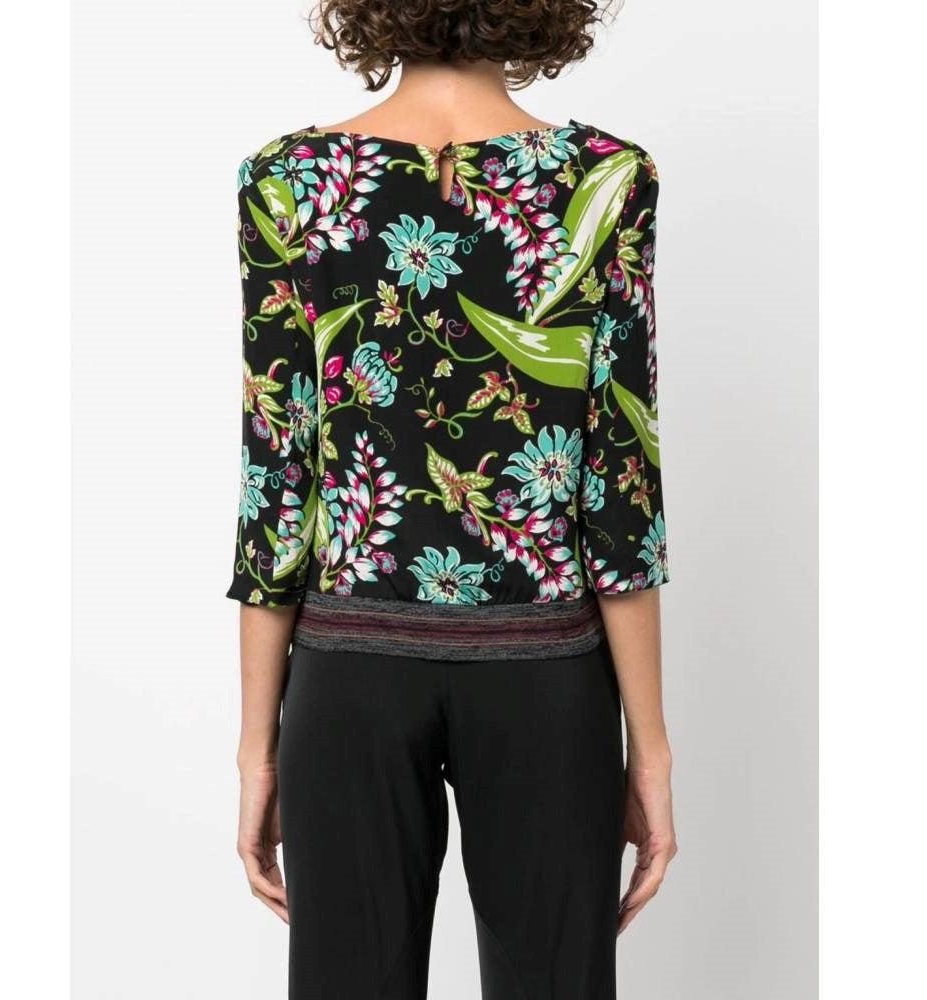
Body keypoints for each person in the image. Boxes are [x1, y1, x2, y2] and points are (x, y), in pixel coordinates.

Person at [227, 1, 677, 996]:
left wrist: (258, 746)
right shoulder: (604, 177)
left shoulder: (290, 179)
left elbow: (276, 478)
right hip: (547, 674)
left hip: (347, 673)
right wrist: (649, 749)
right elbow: (620, 484)